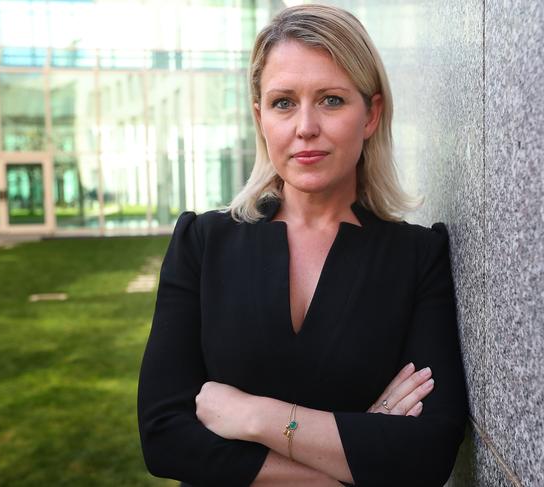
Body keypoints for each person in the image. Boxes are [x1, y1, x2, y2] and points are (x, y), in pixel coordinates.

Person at [137, 4, 468, 487]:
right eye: (283, 102)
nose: (305, 126)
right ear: (261, 117)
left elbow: (429, 451)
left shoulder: (415, 257)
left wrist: (256, 417)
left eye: (331, 100)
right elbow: (164, 436)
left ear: (371, 113)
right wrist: (350, 455)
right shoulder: (203, 242)